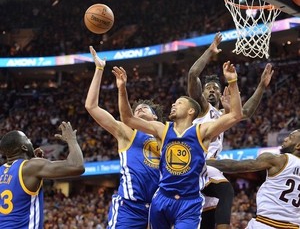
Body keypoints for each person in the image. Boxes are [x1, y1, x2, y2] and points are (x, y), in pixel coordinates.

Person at [113, 60, 243, 229]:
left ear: (191, 111)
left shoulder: (202, 131)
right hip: (161, 199)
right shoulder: (162, 129)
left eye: (179, 102)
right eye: (174, 102)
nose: (173, 104)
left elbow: (236, 116)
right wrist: (122, 89)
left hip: (188, 203)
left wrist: (232, 82)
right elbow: (128, 119)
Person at [188, 32, 274, 229]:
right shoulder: (200, 108)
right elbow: (193, 75)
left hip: (209, 168)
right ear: (202, 93)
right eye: (208, 87)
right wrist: (210, 51)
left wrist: (261, 85)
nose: (211, 90)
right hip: (197, 164)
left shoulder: (223, 113)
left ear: (221, 93)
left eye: (215, 88)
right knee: (226, 191)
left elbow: (247, 111)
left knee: (207, 217)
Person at [85, 46, 164, 229]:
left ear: (155, 117)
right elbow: (91, 106)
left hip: (159, 207)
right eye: (137, 109)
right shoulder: (127, 132)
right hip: (130, 207)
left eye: (146, 108)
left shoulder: (165, 135)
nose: (140, 109)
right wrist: (98, 70)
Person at [207, 129, 300, 229]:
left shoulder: (279, 160)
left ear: (298, 146)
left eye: (290, 137)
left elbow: (236, 166)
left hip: (266, 223)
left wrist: (205, 162)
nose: (285, 139)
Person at [0, 121, 85, 228]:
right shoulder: (31, 167)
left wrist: (32, 160)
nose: (30, 142)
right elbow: (77, 166)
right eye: (28, 140)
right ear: (24, 148)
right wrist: (71, 139)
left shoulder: (2, 170)